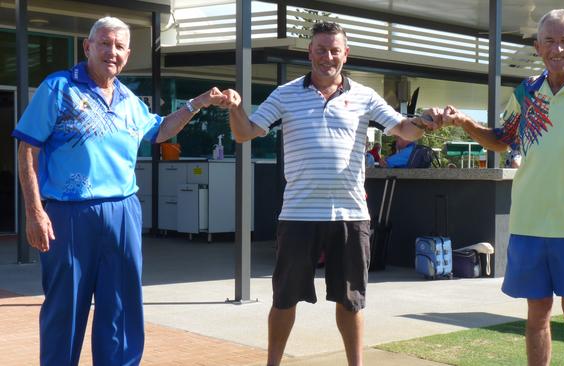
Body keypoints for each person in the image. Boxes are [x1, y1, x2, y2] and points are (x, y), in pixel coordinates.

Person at [213, 22, 440, 366]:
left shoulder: (364, 95)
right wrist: (234, 107)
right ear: (310, 53)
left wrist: (424, 121)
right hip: (298, 215)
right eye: (321, 50)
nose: (327, 57)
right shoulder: (285, 94)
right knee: (284, 299)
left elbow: (403, 129)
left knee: (351, 301)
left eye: (335, 50)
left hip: (350, 216)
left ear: (345, 54)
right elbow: (245, 133)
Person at [12, 17, 224, 365]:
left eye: (120, 46)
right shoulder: (58, 88)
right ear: (88, 46)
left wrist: (195, 104)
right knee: (65, 307)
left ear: (127, 53)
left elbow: (159, 131)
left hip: (123, 212)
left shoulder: (129, 99)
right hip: (69, 214)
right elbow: (27, 149)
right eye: (105, 43)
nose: (112, 52)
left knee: (121, 308)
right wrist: (34, 212)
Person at [439, 9, 564, 366]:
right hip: (529, 222)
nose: (557, 49)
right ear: (538, 47)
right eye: (549, 41)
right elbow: (500, 140)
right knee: (537, 312)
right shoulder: (526, 92)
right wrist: (465, 121)